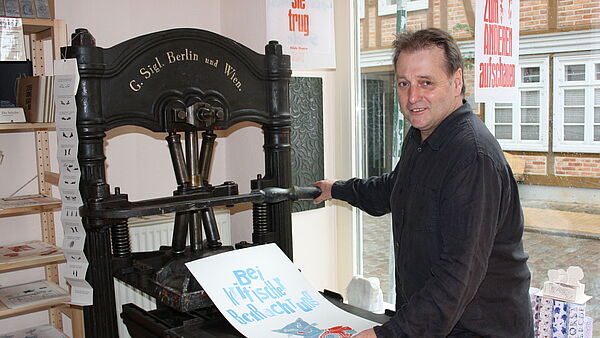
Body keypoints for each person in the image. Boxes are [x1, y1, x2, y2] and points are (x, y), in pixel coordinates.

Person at [313, 28, 533, 337]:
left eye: (426, 83)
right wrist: (338, 188)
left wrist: (386, 335)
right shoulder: (421, 136)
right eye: (404, 84)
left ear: (457, 82)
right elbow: (396, 188)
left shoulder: (472, 156)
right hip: (432, 322)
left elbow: (458, 273)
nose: (412, 97)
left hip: (476, 329)